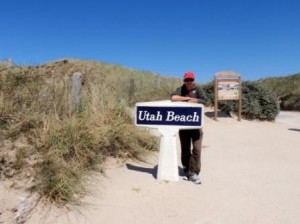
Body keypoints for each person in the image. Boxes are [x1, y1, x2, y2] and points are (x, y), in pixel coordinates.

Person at [171, 71, 209, 184]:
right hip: (184, 126)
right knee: (185, 149)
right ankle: (187, 169)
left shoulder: (198, 89)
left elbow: (206, 101)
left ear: (194, 80)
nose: (188, 82)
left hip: (196, 126)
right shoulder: (181, 89)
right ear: (184, 80)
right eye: (186, 80)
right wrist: (186, 99)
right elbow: (173, 97)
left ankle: (195, 172)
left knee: (196, 150)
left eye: (190, 80)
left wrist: (196, 100)